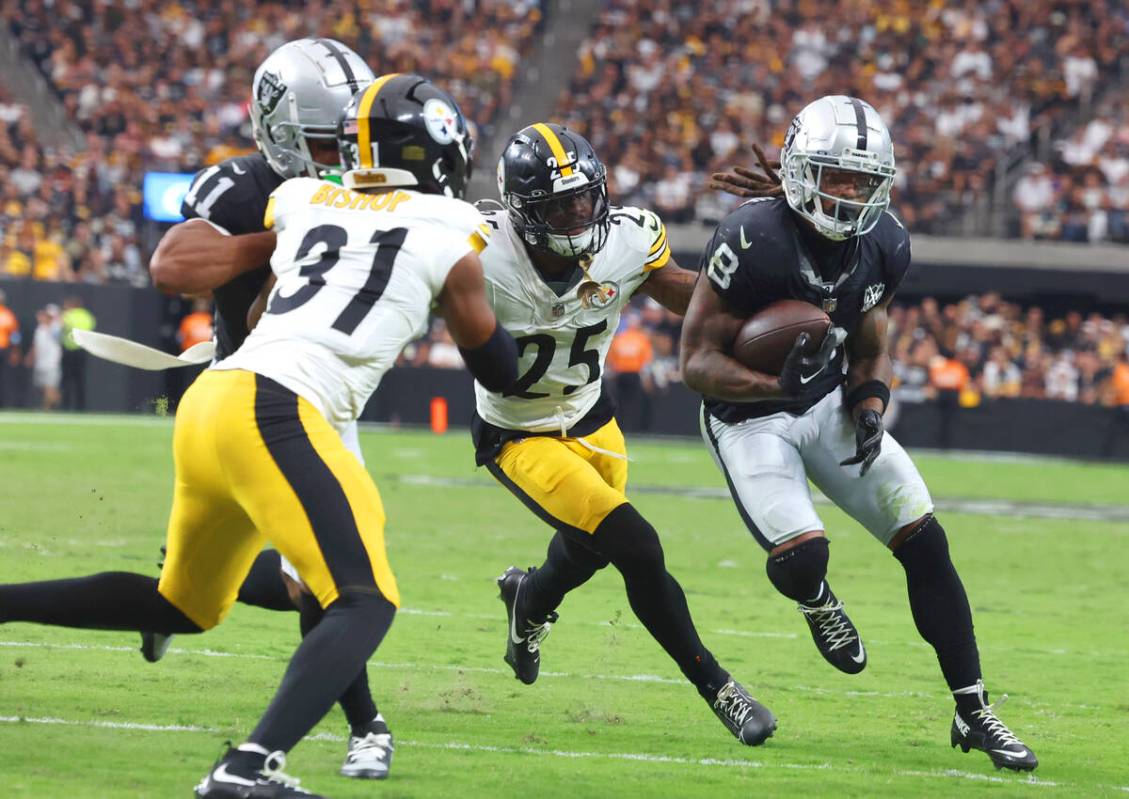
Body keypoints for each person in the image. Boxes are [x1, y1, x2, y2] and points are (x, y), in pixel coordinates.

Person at [0, 74, 516, 799]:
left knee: (183, 604)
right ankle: (246, 768)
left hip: (215, 397)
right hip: (280, 409)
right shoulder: (451, 231)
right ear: (439, 154)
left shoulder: (303, 199)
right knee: (364, 598)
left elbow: (255, 316)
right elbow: (496, 364)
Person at [681, 96, 1037, 771]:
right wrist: (771, 388)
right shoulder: (750, 236)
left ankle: (972, 708)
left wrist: (870, 400)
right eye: (834, 176)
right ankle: (816, 601)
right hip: (745, 413)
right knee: (801, 557)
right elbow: (693, 362)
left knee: (926, 541)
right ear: (798, 169)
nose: (848, 195)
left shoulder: (885, 244)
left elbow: (872, 343)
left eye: (862, 180)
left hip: (825, 404)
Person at [474, 122, 776, 746]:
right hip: (519, 430)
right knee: (634, 544)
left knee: (589, 545)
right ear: (522, 211)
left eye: (585, 197)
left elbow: (685, 295)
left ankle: (528, 600)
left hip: (593, 415)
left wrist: (758, 281)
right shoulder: (477, 252)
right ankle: (719, 688)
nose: (578, 214)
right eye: (559, 205)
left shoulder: (629, 240)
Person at [144, 39, 398, 780]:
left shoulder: (371, 178)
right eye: (327, 141)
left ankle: (163, 598)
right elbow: (172, 268)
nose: (342, 156)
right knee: (344, 578)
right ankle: (365, 725)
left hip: (327, 388)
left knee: (301, 580)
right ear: (279, 127)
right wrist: (289, 234)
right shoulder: (238, 187)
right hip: (255, 389)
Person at [60, 295, 96, 411]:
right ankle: (81, 407)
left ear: (71, 305)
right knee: (80, 380)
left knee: (66, 380)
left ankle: (65, 406)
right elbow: (90, 329)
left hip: (69, 350)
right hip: (82, 350)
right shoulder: (87, 316)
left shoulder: (67, 315)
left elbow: (63, 327)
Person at [26, 304, 62, 411]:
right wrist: (31, 357)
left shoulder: (56, 328)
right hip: (40, 363)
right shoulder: (40, 329)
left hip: (52, 363)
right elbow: (36, 345)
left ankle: (47, 408)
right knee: (42, 386)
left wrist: (57, 320)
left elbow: (58, 332)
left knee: (49, 387)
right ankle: (55, 401)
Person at [0, 289, 20, 407]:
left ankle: (2, 402)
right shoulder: (8, 315)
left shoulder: (8, 314)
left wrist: (14, 351)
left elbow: (15, 335)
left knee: (3, 377)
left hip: (3, 349)